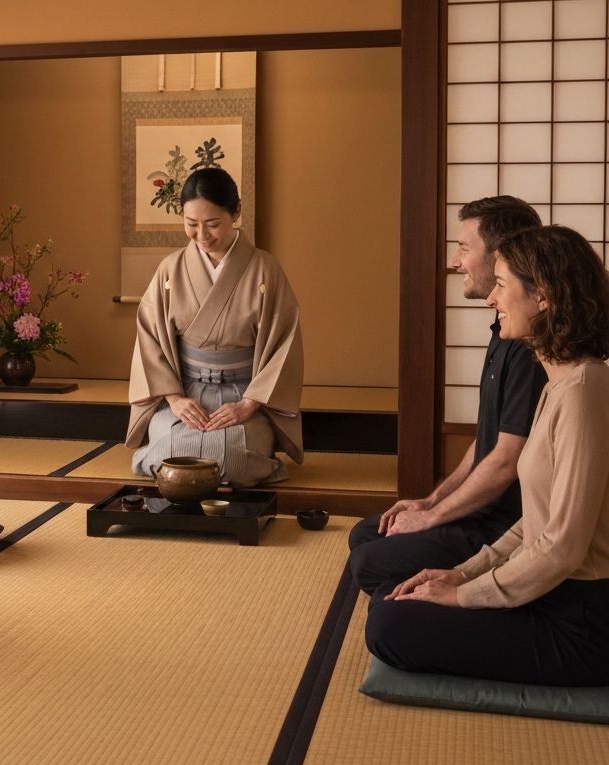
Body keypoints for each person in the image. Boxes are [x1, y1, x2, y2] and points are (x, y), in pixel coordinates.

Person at [366, 225, 609, 685]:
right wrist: (459, 574)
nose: (491, 299)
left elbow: (563, 546)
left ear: (544, 297)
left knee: (389, 625)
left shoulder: (582, 392)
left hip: (580, 620)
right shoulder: (560, 384)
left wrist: (466, 596)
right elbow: (533, 524)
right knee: (391, 596)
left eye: (501, 285)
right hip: (549, 592)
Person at [347, 196, 546, 594]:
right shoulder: (503, 329)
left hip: (504, 525)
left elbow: (506, 462)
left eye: (463, 248)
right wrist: (429, 502)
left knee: (369, 560)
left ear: (500, 256)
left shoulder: (528, 346)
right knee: (367, 534)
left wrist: (432, 518)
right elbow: (485, 443)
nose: (455, 261)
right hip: (480, 509)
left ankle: (425, 610)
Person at [126, 168, 303, 487]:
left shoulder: (265, 269)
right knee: (167, 451)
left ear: (236, 211)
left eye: (212, 224)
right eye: (191, 224)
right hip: (186, 394)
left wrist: (248, 405)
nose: (202, 235)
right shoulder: (170, 269)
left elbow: (283, 345)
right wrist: (175, 399)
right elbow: (150, 339)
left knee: (233, 460)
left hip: (243, 396)